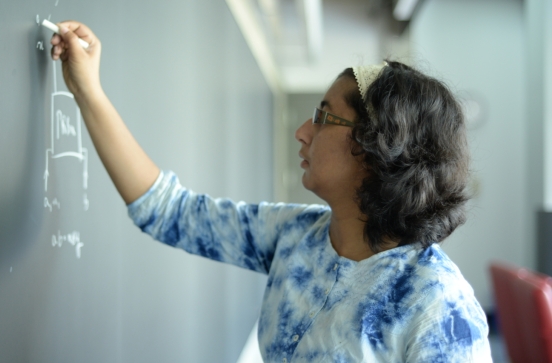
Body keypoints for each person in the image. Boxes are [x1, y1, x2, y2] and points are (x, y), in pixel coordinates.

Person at [50, 21, 492, 362]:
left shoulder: (439, 308)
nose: (302, 132)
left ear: (378, 145)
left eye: (323, 117)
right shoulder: (297, 235)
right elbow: (170, 211)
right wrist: (87, 89)